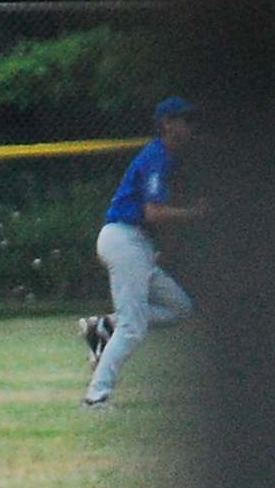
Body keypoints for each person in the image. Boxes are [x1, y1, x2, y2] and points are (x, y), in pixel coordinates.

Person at [82, 95, 202, 407]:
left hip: (136, 244)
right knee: (132, 327)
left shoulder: (165, 157)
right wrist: (194, 214)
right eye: (185, 120)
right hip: (125, 240)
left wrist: (155, 251)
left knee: (179, 308)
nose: (191, 126)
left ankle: (105, 326)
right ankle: (95, 396)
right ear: (167, 124)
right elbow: (153, 212)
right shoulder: (158, 156)